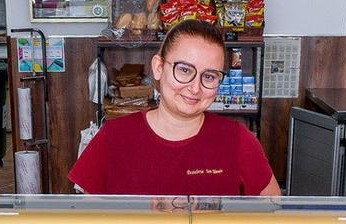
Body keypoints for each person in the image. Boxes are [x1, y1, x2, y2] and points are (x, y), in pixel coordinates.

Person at [68, 19, 280, 196]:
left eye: (209, 76)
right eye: (185, 70)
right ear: (159, 67)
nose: (195, 88)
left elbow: (272, 220)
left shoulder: (239, 139)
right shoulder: (113, 137)